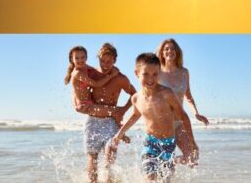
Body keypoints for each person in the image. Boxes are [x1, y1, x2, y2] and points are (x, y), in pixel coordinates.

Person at [111, 53, 198, 182]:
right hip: (150, 143)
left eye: (155, 74)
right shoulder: (136, 98)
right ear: (137, 73)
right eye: (145, 74)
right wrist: (119, 133)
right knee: (150, 179)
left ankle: (175, 161)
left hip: (169, 143)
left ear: (159, 74)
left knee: (165, 180)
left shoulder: (167, 94)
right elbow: (135, 115)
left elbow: (183, 117)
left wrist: (192, 143)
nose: (150, 79)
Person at [81, 43, 137, 183]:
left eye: (109, 61)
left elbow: (135, 95)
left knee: (109, 155)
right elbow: (78, 87)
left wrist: (123, 110)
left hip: (111, 122)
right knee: (92, 157)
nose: (105, 65)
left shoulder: (120, 78)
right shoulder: (92, 74)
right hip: (92, 121)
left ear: (115, 60)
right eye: (102, 61)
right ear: (98, 58)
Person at [156, 38, 209, 165]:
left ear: (177, 52)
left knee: (192, 157)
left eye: (173, 48)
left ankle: (170, 162)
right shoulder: (157, 72)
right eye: (166, 49)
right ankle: (164, 164)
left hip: (178, 123)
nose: (170, 51)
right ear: (162, 53)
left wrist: (196, 113)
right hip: (160, 123)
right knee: (158, 165)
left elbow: (188, 96)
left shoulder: (184, 72)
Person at [64, 45, 121, 119]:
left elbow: (96, 70)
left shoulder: (84, 66)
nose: (80, 60)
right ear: (72, 59)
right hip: (85, 106)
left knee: (112, 110)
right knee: (116, 111)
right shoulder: (78, 73)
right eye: (77, 58)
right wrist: (112, 75)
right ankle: (120, 127)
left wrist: (110, 67)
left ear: (86, 57)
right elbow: (97, 84)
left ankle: (118, 125)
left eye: (82, 57)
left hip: (91, 102)